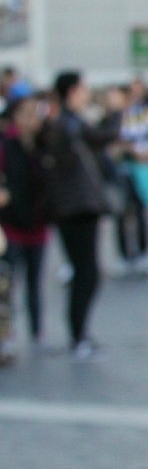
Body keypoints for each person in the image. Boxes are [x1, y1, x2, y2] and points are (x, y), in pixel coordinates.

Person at [41, 71, 115, 358]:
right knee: (86, 273)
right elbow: (102, 137)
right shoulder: (67, 124)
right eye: (83, 88)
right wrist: (117, 112)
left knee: (87, 273)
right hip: (76, 209)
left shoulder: (66, 123)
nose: (87, 93)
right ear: (72, 91)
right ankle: (78, 335)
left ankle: (80, 333)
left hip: (77, 208)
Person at [1, 93, 50, 357]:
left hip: (38, 226)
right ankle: (5, 335)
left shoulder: (44, 145)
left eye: (36, 113)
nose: (33, 119)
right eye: (27, 113)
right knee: (7, 284)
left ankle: (37, 334)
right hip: (11, 227)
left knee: (35, 284)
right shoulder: (5, 145)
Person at [115, 84, 148, 278]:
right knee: (122, 213)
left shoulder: (146, 114)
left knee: (141, 211)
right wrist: (131, 150)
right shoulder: (117, 116)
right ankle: (125, 256)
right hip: (124, 168)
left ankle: (143, 254)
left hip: (142, 168)